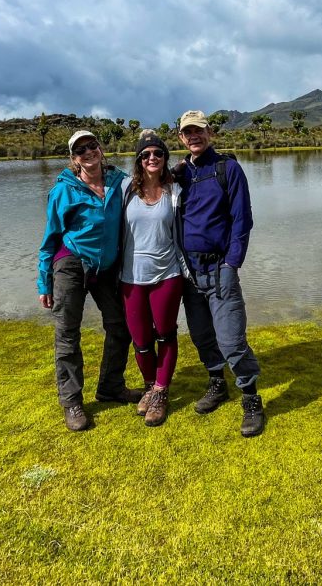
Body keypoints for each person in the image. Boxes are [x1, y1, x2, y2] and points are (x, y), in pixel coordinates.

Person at [37, 130, 143, 431]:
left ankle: (111, 386)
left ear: (101, 148)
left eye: (92, 146)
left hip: (106, 267)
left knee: (120, 326)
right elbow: (50, 238)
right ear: (74, 159)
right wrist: (44, 282)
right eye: (80, 150)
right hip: (71, 264)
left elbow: (146, 180)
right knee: (68, 334)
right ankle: (71, 401)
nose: (88, 152)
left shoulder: (117, 181)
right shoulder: (63, 191)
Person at [175, 110, 265, 437]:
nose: (193, 136)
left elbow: (243, 221)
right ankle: (217, 383)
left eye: (199, 130)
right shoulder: (179, 174)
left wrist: (232, 264)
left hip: (219, 268)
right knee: (201, 335)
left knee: (231, 338)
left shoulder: (228, 169)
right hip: (188, 271)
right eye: (188, 132)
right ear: (181, 138)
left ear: (209, 132)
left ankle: (251, 398)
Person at [119, 130, 189, 427]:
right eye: (146, 154)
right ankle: (149, 384)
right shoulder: (124, 189)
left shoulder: (175, 191)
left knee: (165, 333)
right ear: (138, 159)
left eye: (158, 154)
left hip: (168, 274)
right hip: (131, 277)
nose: (152, 158)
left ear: (165, 159)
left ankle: (160, 392)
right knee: (141, 339)